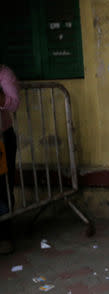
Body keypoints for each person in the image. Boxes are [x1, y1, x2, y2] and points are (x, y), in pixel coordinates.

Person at [0, 65, 20, 255]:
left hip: (3, 139)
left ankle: (5, 236)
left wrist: (1, 98)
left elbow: (14, 103)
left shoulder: (4, 74)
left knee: (3, 185)